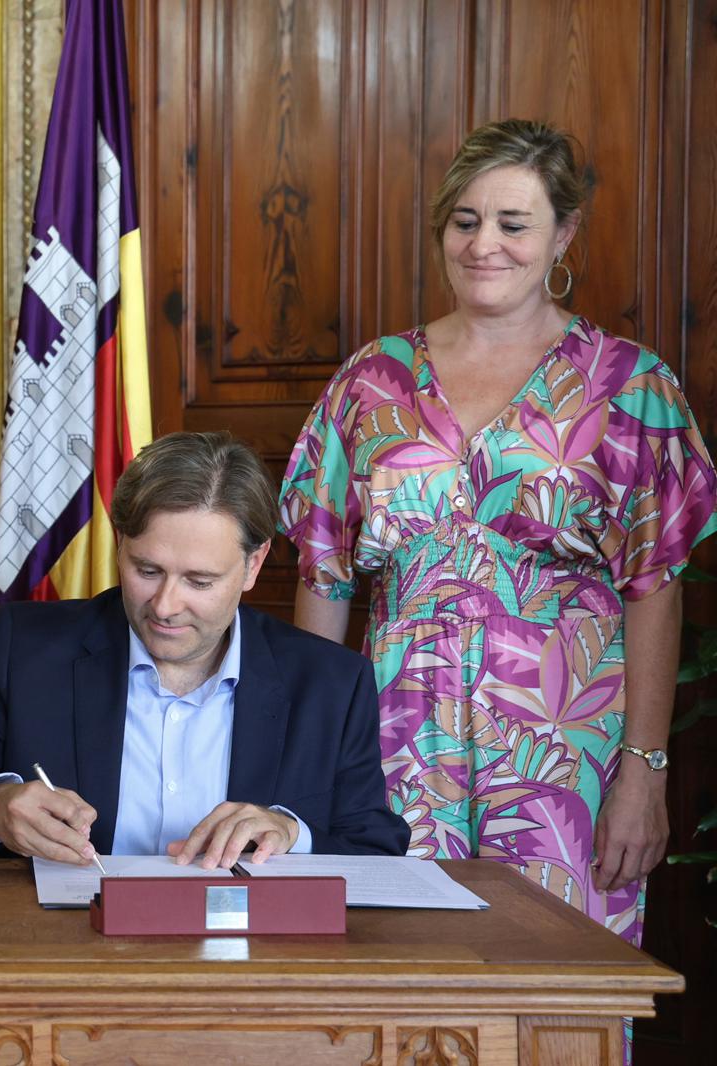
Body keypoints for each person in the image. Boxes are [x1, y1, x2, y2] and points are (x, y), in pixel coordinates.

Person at [278, 119, 716, 959]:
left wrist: (644, 769)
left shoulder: (630, 387)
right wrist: (309, 765)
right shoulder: (372, 381)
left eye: (514, 223)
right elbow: (325, 577)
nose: (485, 244)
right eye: (466, 221)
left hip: (565, 738)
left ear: (563, 235)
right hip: (393, 734)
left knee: (558, 982)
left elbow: (654, 587)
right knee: (397, 974)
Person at [0, 431, 407, 866]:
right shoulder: (29, 650)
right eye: (147, 571)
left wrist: (292, 833)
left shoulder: (330, 682)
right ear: (120, 543)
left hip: (250, 958)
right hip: (66, 954)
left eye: (199, 581)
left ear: (253, 564)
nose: (165, 606)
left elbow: (378, 849)